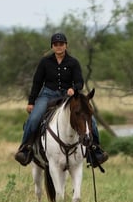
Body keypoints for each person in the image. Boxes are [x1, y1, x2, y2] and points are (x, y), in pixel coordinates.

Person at [14, 32, 108, 168]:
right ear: (52, 46)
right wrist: (31, 102)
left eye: (61, 44)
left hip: (67, 96)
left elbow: (79, 82)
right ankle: (25, 149)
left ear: (66, 45)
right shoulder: (45, 62)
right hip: (47, 94)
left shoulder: (73, 62)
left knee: (89, 119)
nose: (58, 46)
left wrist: (74, 89)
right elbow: (37, 82)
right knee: (34, 118)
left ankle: (95, 151)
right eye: (56, 44)